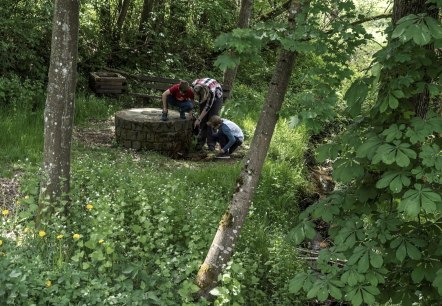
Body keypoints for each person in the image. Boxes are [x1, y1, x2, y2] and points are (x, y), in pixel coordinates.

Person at [192, 78, 223, 151]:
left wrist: (198, 119)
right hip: (204, 92)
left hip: (216, 97)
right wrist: (200, 119)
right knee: (203, 120)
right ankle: (200, 143)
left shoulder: (212, 92)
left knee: (212, 119)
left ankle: (211, 144)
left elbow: (207, 107)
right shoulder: (194, 84)